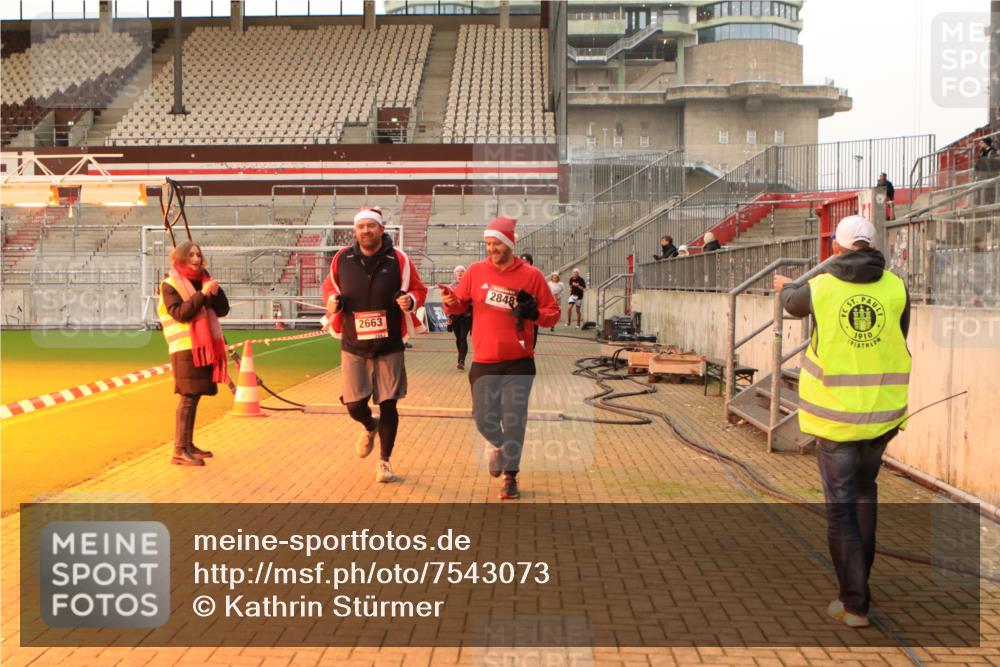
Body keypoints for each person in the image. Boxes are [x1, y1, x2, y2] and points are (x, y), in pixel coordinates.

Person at [773, 215, 911, 629]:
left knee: (841, 509)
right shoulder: (897, 287)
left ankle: (855, 604)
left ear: (836, 248)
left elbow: (791, 302)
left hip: (835, 420)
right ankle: (859, 586)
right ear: (872, 246)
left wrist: (785, 286)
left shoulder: (821, 286)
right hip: (882, 416)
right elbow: (897, 335)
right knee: (866, 494)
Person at [441, 216, 560, 499]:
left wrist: (533, 313)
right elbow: (460, 305)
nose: (491, 249)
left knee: (514, 418)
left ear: (509, 243)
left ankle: (510, 477)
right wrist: (450, 303)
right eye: (488, 244)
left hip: (519, 360)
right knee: (483, 418)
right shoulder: (475, 271)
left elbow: (552, 313)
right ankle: (502, 447)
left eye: (496, 243)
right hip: (484, 359)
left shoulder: (531, 276)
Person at [322, 207, 427, 484]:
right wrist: (333, 300)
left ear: (382, 229)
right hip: (353, 344)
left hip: (389, 344)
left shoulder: (399, 259)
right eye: (361, 227)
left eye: (371, 226)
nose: (366, 231)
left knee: (389, 403)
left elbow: (419, 289)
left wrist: (411, 301)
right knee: (355, 405)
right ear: (355, 231)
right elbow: (330, 288)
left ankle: (384, 461)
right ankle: (369, 425)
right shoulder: (341, 258)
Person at [158, 241, 230, 467]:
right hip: (185, 349)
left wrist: (215, 294)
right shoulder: (170, 284)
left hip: (201, 348)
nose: (196, 259)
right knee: (188, 397)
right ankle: (179, 449)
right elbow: (181, 314)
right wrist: (202, 295)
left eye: (198, 255)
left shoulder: (204, 281)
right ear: (180, 258)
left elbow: (222, 310)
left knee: (194, 396)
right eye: (191, 256)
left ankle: (188, 444)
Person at [448, 265, 472, 370]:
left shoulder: (469, 285)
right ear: (454, 274)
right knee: (458, 339)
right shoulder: (451, 286)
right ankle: (460, 357)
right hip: (455, 316)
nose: (460, 273)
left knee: (463, 338)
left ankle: (461, 360)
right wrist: (448, 317)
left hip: (466, 316)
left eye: (462, 271)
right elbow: (446, 303)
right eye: (457, 271)